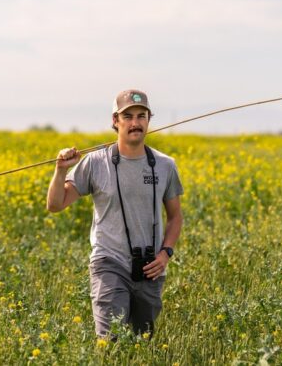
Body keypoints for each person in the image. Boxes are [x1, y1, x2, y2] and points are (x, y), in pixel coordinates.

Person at [46, 89, 183, 339]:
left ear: (149, 120)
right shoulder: (96, 162)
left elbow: (175, 217)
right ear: (115, 121)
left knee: (143, 343)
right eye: (128, 116)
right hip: (109, 262)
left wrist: (166, 254)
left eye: (141, 116)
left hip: (151, 267)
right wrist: (60, 170)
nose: (135, 123)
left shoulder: (165, 165)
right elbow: (55, 205)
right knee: (111, 341)